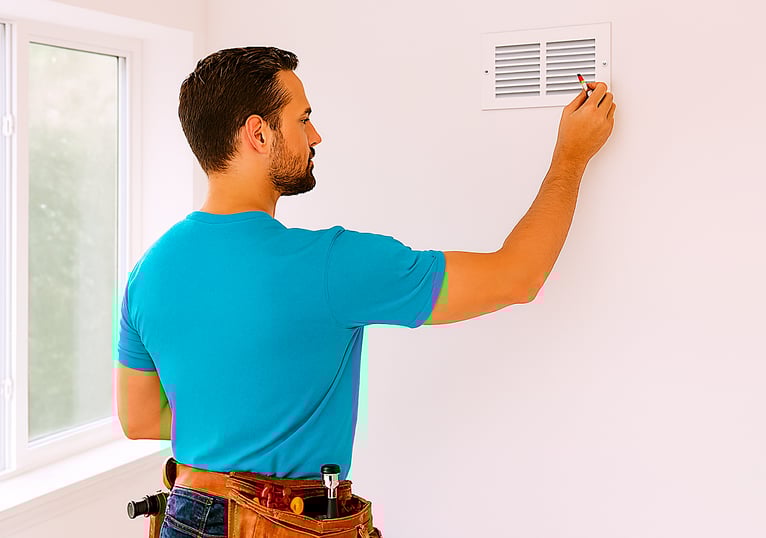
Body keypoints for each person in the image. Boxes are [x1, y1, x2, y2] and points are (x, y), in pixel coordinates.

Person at [116, 47, 615, 537]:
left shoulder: (149, 273)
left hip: (185, 515)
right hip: (282, 524)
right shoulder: (332, 264)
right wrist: (571, 156)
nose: (315, 135)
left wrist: (230, 425)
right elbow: (516, 277)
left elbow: (138, 419)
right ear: (259, 134)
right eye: (303, 119)